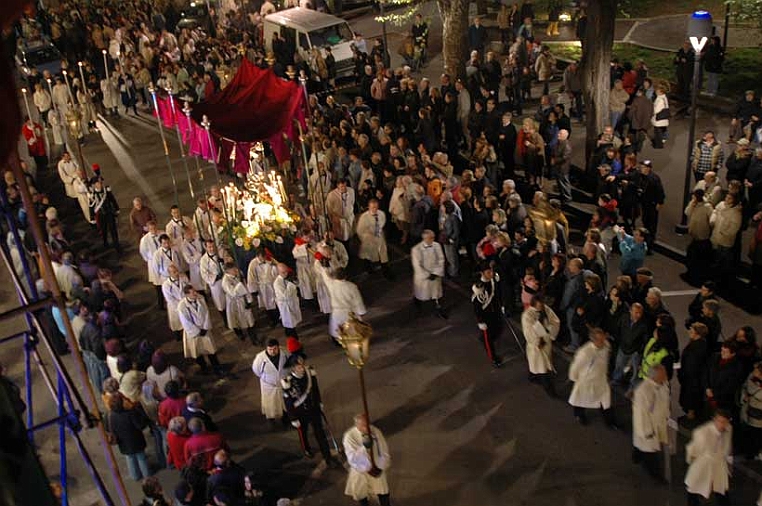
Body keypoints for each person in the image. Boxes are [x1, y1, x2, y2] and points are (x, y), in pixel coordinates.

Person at [281, 355, 339, 466]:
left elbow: (315, 389)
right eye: (299, 366)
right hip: (300, 412)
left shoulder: (310, 373)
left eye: (302, 364)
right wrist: (293, 418)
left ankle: (328, 457)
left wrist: (319, 402)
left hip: (313, 408)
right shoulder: (288, 382)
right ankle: (306, 449)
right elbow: (288, 402)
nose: (302, 367)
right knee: (303, 432)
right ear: (293, 368)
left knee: (320, 433)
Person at [568, 327, 615, 427]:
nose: (602, 341)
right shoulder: (585, 352)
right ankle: (579, 415)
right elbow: (575, 367)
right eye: (599, 340)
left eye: (603, 338)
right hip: (587, 381)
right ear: (593, 340)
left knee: (605, 402)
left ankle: (609, 421)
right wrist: (574, 378)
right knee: (581, 400)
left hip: (601, 380)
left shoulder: (606, 346)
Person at [684, 410, 733, 506]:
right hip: (704, 464)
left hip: (719, 464)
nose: (722, 425)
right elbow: (693, 450)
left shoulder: (729, 428)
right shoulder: (702, 432)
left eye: (724, 422)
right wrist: (695, 465)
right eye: (719, 421)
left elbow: (728, 445)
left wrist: (729, 462)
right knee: (695, 488)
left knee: (721, 489)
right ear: (714, 420)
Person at [632, 364, 670, 481]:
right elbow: (640, 414)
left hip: (658, 423)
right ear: (655, 376)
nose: (666, 376)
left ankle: (636, 455)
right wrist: (646, 431)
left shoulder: (662, 385)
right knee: (650, 451)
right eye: (663, 374)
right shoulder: (643, 391)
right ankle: (655, 475)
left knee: (644, 447)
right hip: (649, 427)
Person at [343, 413, 391, 506]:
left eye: (367, 424)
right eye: (363, 426)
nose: (367, 428)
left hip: (376, 468)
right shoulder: (349, 436)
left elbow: (384, 450)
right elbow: (352, 458)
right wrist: (364, 448)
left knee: (383, 492)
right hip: (360, 471)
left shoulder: (375, 431)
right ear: (357, 425)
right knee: (362, 495)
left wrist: (380, 467)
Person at [177, 285, 224, 376]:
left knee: (211, 350)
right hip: (194, 333)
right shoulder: (182, 306)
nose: (195, 293)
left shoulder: (200, 298)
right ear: (187, 294)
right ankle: (204, 367)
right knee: (197, 352)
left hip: (204, 329)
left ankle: (217, 368)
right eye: (193, 292)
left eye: (195, 291)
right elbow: (186, 322)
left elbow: (206, 312)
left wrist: (205, 327)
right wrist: (197, 331)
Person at [521, 295, 560, 397]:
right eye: (538, 306)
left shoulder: (545, 309)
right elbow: (528, 331)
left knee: (537, 366)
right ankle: (550, 390)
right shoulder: (527, 315)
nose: (541, 308)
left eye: (541, 305)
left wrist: (549, 331)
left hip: (546, 343)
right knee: (543, 369)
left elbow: (555, 321)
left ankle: (533, 376)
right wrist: (538, 340)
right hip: (537, 346)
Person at [106, 394, 151, 481]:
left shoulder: (110, 416)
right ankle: (147, 477)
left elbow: (108, 428)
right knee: (141, 458)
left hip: (123, 443)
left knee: (130, 458)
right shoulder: (130, 413)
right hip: (136, 440)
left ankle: (135, 476)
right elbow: (140, 426)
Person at [679, 323, 710, 426]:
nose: (689, 332)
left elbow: (692, 365)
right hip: (691, 378)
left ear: (698, 334)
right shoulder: (698, 344)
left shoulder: (698, 348)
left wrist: (683, 374)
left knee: (690, 400)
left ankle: (690, 419)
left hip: (692, 380)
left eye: (692, 331)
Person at [472, 263, 503, 368]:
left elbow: (498, 295)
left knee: (499, 329)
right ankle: (494, 358)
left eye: (491, 271)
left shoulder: (493, 281)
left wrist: (501, 306)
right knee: (488, 339)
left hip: (496, 312)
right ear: (482, 273)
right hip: (486, 316)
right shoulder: (479, 287)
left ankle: (483, 340)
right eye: (488, 272)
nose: (491, 274)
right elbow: (477, 306)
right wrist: (480, 321)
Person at [252, 339, 288, 427]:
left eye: (275, 349)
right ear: (266, 349)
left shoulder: (285, 353)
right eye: (270, 349)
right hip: (269, 386)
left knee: (284, 403)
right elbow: (256, 371)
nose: (272, 351)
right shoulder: (260, 358)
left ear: (278, 347)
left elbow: (290, 365)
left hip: (283, 383)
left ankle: (285, 418)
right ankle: (271, 420)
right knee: (270, 405)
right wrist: (268, 379)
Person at [411, 229, 446, 318]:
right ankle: (417, 302)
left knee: (436, 294)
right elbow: (417, 265)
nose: (433, 239)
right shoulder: (416, 249)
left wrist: (436, 272)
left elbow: (441, 259)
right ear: (425, 238)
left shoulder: (437, 245)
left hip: (435, 274)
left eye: (433, 237)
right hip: (423, 278)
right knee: (422, 293)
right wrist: (427, 275)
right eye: (431, 238)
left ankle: (439, 309)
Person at [326, 268, 367, 345]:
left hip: (337, 312)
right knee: (352, 331)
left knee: (337, 330)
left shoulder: (331, 285)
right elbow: (358, 301)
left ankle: (339, 342)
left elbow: (325, 276)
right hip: (349, 312)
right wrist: (361, 311)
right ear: (346, 276)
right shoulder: (351, 286)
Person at [221, 263, 256, 344]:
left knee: (249, 320)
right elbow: (233, 293)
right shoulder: (225, 281)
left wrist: (249, 299)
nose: (236, 270)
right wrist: (240, 284)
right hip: (234, 303)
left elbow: (245, 288)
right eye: (234, 269)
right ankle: (239, 333)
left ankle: (253, 338)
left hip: (243, 300)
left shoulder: (237, 275)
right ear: (228, 271)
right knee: (236, 320)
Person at [356, 199, 391, 278]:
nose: (374, 209)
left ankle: (386, 271)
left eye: (376, 207)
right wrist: (366, 237)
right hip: (369, 239)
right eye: (372, 207)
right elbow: (359, 230)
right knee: (368, 255)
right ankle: (368, 269)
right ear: (369, 207)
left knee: (383, 255)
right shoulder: (364, 217)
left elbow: (382, 223)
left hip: (379, 237)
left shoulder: (381, 214)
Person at [247, 249, 280, 326]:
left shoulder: (270, 259)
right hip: (262, 286)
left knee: (275, 302)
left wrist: (274, 266)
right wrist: (253, 289)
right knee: (266, 304)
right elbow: (251, 277)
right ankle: (271, 319)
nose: (263, 259)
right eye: (261, 258)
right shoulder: (253, 263)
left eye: (264, 257)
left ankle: (278, 317)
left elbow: (278, 266)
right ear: (258, 256)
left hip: (272, 284)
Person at [88, 176, 121, 251]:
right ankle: (105, 244)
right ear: (95, 184)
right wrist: (92, 217)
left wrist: (117, 208)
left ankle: (117, 245)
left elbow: (112, 199)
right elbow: (91, 206)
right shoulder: (93, 195)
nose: (100, 184)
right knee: (104, 230)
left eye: (101, 182)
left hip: (109, 213)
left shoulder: (106, 191)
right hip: (101, 215)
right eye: (98, 183)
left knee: (113, 229)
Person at [200, 240, 227, 322]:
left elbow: (229, 262)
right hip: (215, 283)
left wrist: (223, 262)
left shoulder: (220, 254)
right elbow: (204, 274)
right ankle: (225, 319)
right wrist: (215, 277)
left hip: (225, 279)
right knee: (220, 302)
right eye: (209, 247)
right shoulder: (204, 260)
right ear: (206, 247)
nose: (212, 249)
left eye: (213, 246)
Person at [162, 263, 189, 342]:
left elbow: (188, 287)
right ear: (169, 274)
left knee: (186, 321)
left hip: (185, 302)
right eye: (174, 272)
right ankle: (177, 336)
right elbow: (170, 299)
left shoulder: (183, 277)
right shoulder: (166, 285)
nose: (176, 273)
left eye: (176, 271)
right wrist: (180, 306)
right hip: (175, 307)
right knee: (177, 323)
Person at [139, 221, 164, 308]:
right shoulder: (145, 240)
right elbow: (143, 252)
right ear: (148, 229)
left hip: (164, 260)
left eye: (154, 228)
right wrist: (150, 259)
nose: (153, 230)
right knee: (158, 284)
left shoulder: (162, 233)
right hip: (153, 262)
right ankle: (161, 304)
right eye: (151, 229)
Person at [325, 178, 356, 245]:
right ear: (337, 186)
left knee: (349, 236)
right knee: (339, 237)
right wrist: (332, 219)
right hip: (338, 220)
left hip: (348, 218)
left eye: (345, 186)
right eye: (341, 186)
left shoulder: (351, 191)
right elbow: (329, 208)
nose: (344, 188)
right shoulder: (331, 195)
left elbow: (352, 202)